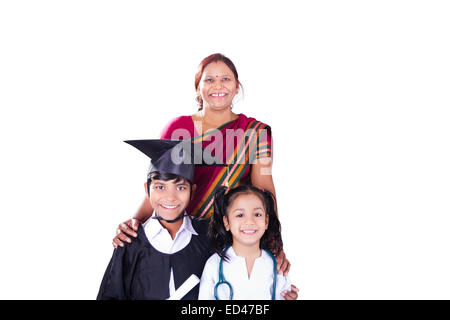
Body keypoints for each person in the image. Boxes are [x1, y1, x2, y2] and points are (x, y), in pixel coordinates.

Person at [114, 54, 279, 253]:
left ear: (237, 87)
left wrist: (275, 246)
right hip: (180, 238)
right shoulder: (178, 128)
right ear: (198, 88)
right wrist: (135, 221)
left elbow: (264, 194)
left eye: (225, 79)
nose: (218, 86)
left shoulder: (255, 132)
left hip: (229, 242)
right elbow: (160, 185)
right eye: (209, 80)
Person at [97, 139, 214, 299]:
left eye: (180, 187)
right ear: (147, 189)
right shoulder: (130, 242)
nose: (170, 197)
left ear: (193, 191)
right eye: (160, 187)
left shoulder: (208, 235)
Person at [198, 185, 297, 300]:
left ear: (266, 221)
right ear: (226, 222)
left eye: (257, 214)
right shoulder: (214, 264)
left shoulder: (277, 266)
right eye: (240, 215)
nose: (249, 221)